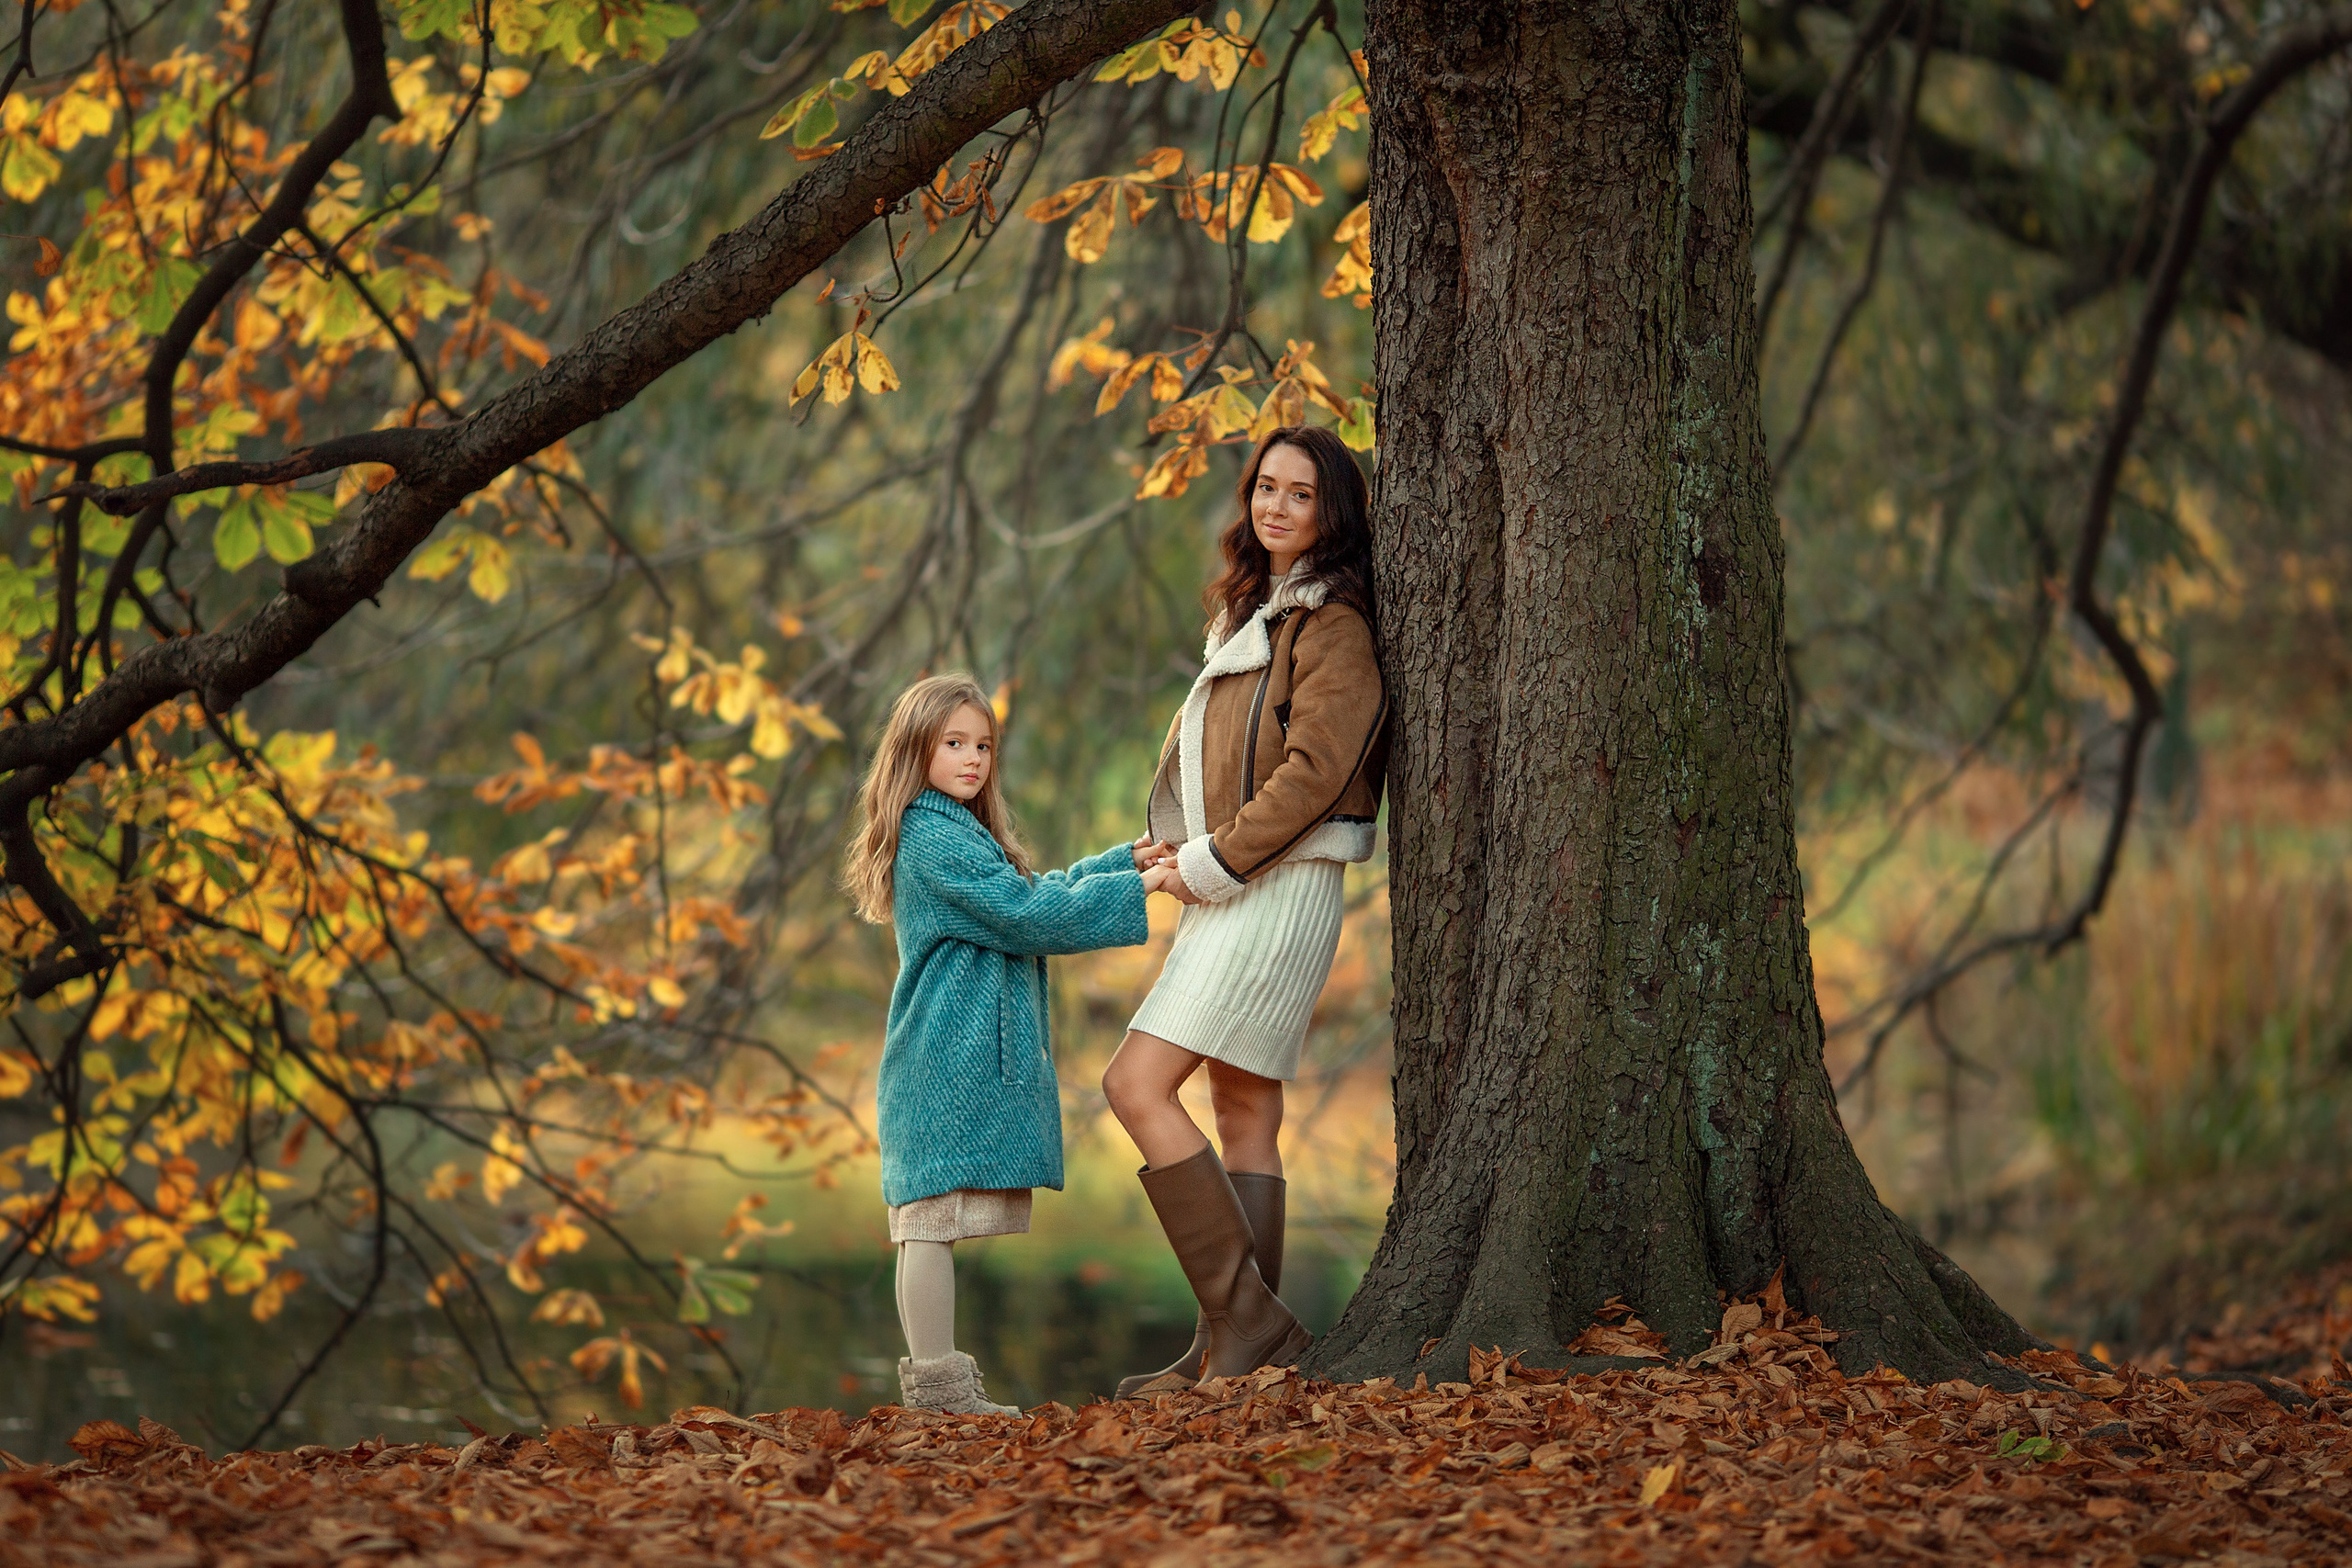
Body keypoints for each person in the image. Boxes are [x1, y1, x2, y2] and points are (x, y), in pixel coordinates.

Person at [1103, 424, 1389, 1397]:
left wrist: (1210, 861)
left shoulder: (1335, 626)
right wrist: (1173, 843)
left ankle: (1253, 1321)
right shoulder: (1253, 611)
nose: (1274, 505)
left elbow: (1317, 772)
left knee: (1135, 1085)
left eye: (1299, 493)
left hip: (1279, 884)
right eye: (1264, 486)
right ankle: (1228, 1351)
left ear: (1332, 512)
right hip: (1231, 879)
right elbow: (1217, 757)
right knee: (1243, 1109)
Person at [845, 673, 1186, 1414]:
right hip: (940, 1055)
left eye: (984, 745)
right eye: (954, 743)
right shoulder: (931, 835)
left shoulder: (959, 829)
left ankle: (944, 1389)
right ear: (916, 750)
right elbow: (1025, 915)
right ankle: (937, 1390)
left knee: (929, 1220)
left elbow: (1029, 889)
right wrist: (1144, 890)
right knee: (926, 1220)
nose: (973, 758)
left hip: (952, 1052)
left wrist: (1115, 865)